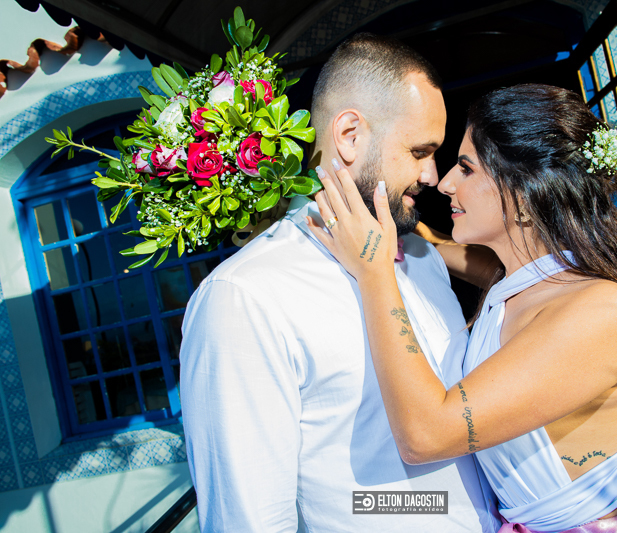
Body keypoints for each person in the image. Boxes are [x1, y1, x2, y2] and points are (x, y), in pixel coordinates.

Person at [308, 84, 617, 532]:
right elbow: (455, 257)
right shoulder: (523, 278)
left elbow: (425, 436)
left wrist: (374, 273)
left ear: (524, 195)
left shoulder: (601, 313)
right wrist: (403, 235)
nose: (445, 183)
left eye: (466, 168)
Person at [179, 34, 500, 532]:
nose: (432, 176)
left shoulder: (420, 257)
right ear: (349, 135)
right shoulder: (246, 298)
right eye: (419, 151)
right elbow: (249, 519)